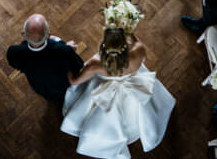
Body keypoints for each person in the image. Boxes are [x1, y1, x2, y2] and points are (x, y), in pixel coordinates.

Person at [61, 27, 175, 158]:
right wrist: (130, 32)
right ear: (125, 45)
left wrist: (68, 70)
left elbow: (74, 82)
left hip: (104, 94)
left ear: (104, 47)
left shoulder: (96, 64)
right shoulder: (138, 50)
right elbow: (137, 45)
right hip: (131, 88)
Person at [6, 13, 83, 108]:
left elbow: (15, 64)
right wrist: (65, 45)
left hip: (39, 87)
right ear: (48, 36)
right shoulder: (63, 50)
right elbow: (78, 66)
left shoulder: (13, 52)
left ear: (23, 34)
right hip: (61, 86)